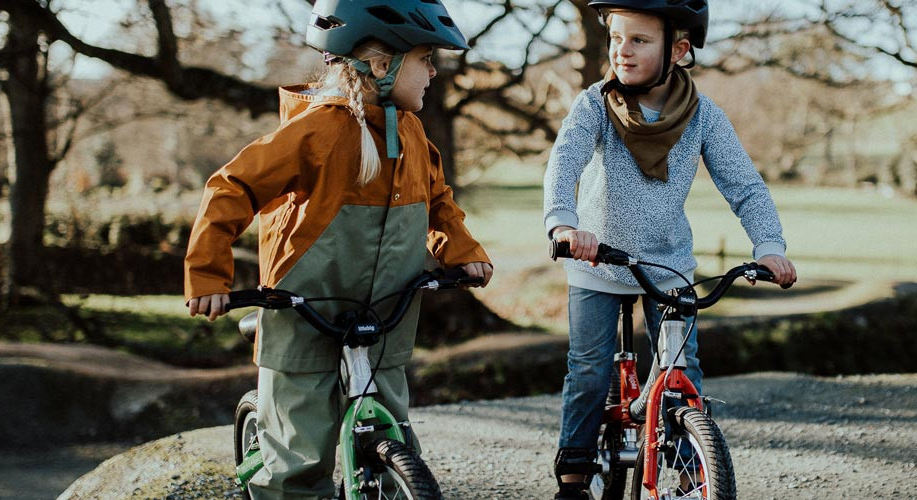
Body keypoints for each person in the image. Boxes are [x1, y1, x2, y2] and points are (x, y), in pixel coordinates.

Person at [183, 1, 492, 498]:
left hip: (386, 316)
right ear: (379, 63)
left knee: (391, 440)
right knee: (297, 469)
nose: (434, 71)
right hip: (305, 316)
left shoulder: (411, 131)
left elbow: (438, 200)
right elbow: (231, 187)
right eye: (425, 58)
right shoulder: (317, 131)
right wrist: (207, 276)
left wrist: (461, 250)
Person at [541, 0, 799, 497]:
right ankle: (573, 478)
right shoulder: (595, 104)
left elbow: (745, 185)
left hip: (668, 266)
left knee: (682, 370)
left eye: (639, 40)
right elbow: (564, 164)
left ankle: (689, 471)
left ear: (678, 50)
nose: (622, 51)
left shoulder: (702, 116)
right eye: (617, 38)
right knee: (590, 372)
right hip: (597, 260)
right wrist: (564, 227)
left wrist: (768, 245)